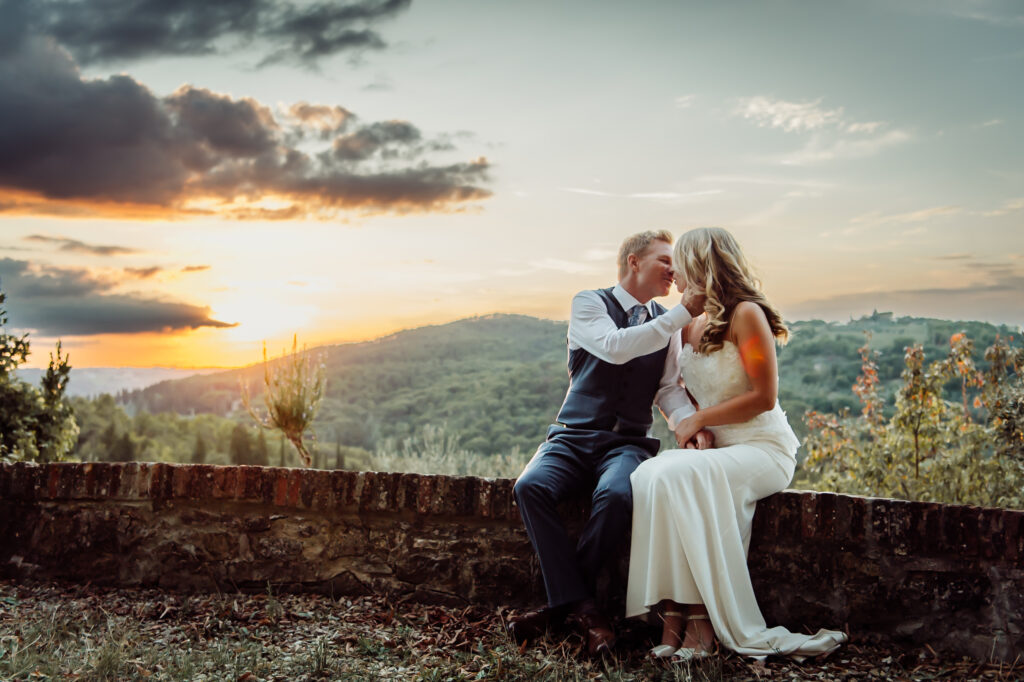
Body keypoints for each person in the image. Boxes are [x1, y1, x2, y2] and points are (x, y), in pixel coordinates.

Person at [626, 227, 847, 661]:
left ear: (701, 264)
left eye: (680, 263)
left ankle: (704, 626)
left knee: (676, 472)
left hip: (762, 447)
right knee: (653, 472)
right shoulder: (686, 323)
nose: (674, 272)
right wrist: (696, 428)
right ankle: (673, 616)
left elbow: (763, 396)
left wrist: (700, 420)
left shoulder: (746, 314)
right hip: (716, 453)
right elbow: (680, 392)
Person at [508, 229, 709, 657]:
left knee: (618, 496)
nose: (674, 271)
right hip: (572, 436)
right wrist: (679, 314)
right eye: (664, 261)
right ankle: (588, 610)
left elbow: (669, 389)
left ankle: (561, 609)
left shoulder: (667, 325)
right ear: (634, 262)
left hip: (627, 444)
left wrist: (690, 426)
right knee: (530, 487)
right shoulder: (589, 303)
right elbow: (615, 348)